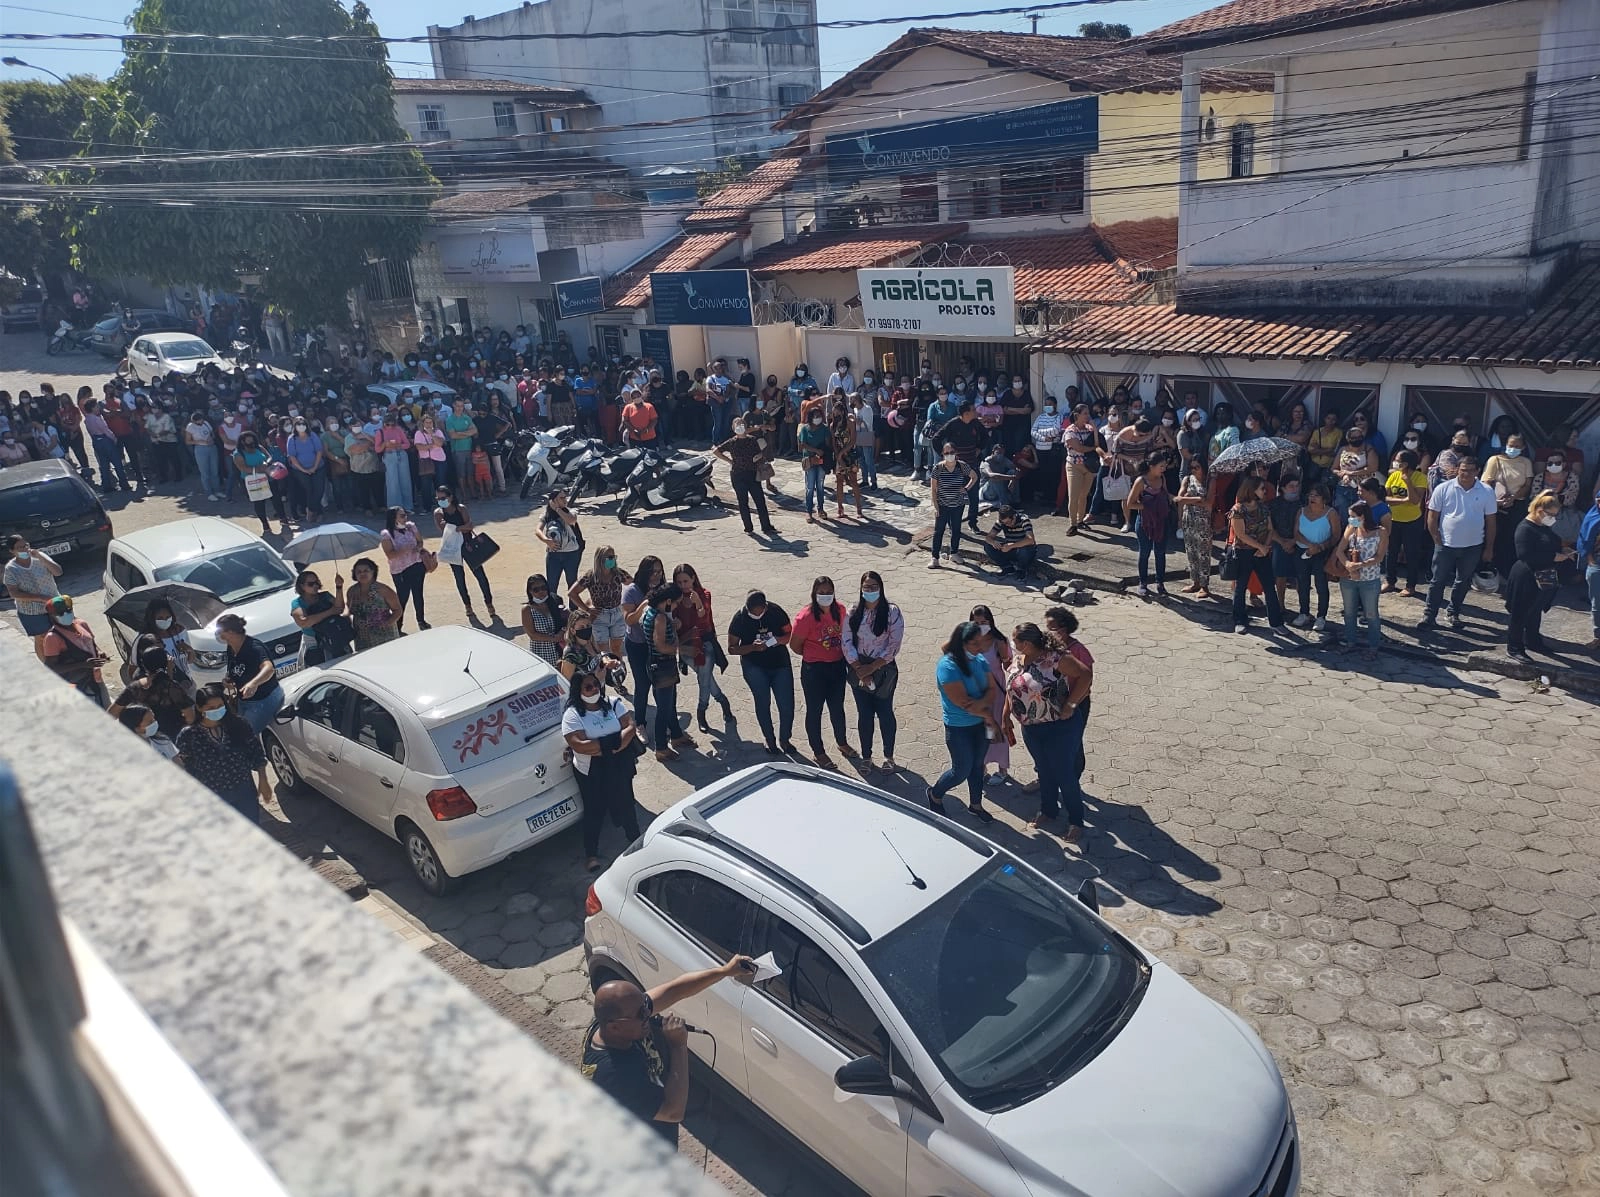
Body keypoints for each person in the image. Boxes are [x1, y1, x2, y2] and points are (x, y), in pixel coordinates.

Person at [581, 955, 755, 1148]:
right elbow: (673, 1111)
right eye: (641, 1014)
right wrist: (678, 1045)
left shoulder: (621, 1023)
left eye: (645, 1007)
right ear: (614, 1027)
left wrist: (725, 971)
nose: (648, 1013)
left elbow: (676, 990)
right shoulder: (613, 1074)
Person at [1005, 622, 1090, 843]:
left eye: (1015, 641)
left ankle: (1076, 821)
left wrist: (1071, 705)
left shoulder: (1055, 658)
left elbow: (1085, 675)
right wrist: (1006, 717)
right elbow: (1012, 688)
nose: (1012, 644)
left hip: (1059, 728)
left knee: (1064, 774)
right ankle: (1048, 810)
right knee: (1044, 770)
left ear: (1027, 643)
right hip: (1032, 728)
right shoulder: (1019, 659)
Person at [561, 672, 642, 872]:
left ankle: (636, 840)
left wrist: (606, 748)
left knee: (626, 801)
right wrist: (613, 743)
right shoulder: (572, 715)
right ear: (579, 691)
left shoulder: (613, 703)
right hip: (591, 770)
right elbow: (579, 745)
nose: (594, 689)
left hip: (618, 764)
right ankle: (591, 854)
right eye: (588, 687)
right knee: (594, 811)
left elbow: (630, 728)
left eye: (596, 685)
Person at [929, 621, 1000, 824]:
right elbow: (964, 703)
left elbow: (992, 690)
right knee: (961, 770)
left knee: (977, 766)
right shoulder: (947, 667)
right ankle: (935, 794)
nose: (981, 648)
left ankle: (975, 805)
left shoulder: (979, 660)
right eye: (975, 643)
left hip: (980, 725)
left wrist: (983, 707)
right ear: (962, 644)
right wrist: (988, 716)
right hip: (959, 728)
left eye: (981, 642)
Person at [176, 683, 274, 823]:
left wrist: (263, 779)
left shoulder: (239, 725)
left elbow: (256, 752)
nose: (217, 710)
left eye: (220, 706)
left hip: (244, 791)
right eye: (211, 708)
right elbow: (186, 769)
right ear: (199, 708)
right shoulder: (189, 736)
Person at [1420, 455, 1498, 631]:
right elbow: (1432, 515)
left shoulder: (1486, 491)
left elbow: (1491, 522)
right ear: (1457, 470)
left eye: (1470, 471)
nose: (1466, 474)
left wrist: (1489, 547)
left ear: (1477, 471)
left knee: (1462, 581)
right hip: (1445, 545)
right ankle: (1429, 615)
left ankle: (1453, 612)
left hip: (1473, 546)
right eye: (1463, 470)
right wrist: (1435, 537)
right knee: (1437, 581)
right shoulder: (1443, 488)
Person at [789, 577, 854, 769]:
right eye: (821, 592)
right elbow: (795, 645)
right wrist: (814, 654)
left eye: (828, 592)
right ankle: (819, 752)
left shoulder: (841, 610)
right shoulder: (806, 617)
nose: (825, 596)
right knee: (815, 711)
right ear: (814, 593)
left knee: (837, 708)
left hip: (837, 667)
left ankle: (842, 742)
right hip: (814, 670)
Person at [840, 571, 903, 771]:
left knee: (885, 712)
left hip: (883, 669)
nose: (870, 590)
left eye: (874, 586)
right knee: (864, 714)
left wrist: (872, 667)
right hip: (858, 667)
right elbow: (846, 640)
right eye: (866, 587)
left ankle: (889, 757)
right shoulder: (853, 611)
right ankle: (866, 756)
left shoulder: (892, 612)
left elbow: (894, 644)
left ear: (881, 588)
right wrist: (859, 668)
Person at [1504, 492, 1574, 660]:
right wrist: (1553, 557)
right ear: (1541, 511)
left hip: (1545, 573)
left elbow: (1551, 542)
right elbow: (1524, 554)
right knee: (1520, 611)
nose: (1553, 519)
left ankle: (1533, 640)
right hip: (1527, 575)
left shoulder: (1543, 526)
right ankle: (1514, 646)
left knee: (1536, 609)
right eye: (1551, 515)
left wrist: (1563, 551)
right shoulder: (1525, 528)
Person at [727, 589, 795, 756]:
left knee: (786, 705)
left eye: (761, 612)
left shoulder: (776, 612)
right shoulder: (739, 619)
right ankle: (769, 739)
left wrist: (776, 641)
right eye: (753, 613)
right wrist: (752, 648)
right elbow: (732, 648)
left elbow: (790, 634)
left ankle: (785, 739)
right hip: (754, 666)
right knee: (763, 702)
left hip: (780, 663)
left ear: (765, 606)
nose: (757, 615)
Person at [673, 563, 732, 733]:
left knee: (703, 676)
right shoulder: (675, 599)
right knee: (705, 676)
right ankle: (723, 701)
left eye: (686, 581)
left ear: (693, 578)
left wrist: (698, 604)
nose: (683, 585)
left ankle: (701, 712)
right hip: (685, 646)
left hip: (704, 643)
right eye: (679, 582)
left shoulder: (703, 594)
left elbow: (704, 620)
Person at [641, 584, 694, 762]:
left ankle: (677, 736)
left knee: (670, 703)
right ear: (668, 601)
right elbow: (660, 645)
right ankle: (661, 748)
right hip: (662, 666)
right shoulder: (660, 618)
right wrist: (681, 650)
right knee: (664, 709)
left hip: (657, 664)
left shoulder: (651, 612)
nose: (677, 606)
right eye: (676, 603)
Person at [1229, 476, 1287, 634]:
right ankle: (1239, 620)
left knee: (1269, 586)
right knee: (1240, 587)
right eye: (1262, 488)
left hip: (1262, 553)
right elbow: (1240, 534)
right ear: (1251, 490)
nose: (1265, 491)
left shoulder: (1263, 508)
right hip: (1243, 553)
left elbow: (1270, 529)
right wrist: (1259, 546)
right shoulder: (1238, 510)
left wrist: (1265, 547)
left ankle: (1276, 622)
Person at [434, 486, 496, 621]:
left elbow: (469, 526)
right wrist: (460, 528)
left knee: (480, 575)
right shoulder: (438, 512)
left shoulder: (461, 508)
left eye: (443, 498)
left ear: (450, 497)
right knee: (459, 578)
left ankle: (489, 603)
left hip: (468, 546)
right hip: (453, 548)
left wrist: (454, 528)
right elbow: (443, 529)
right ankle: (467, 605)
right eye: (438, 498)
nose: (440, 501)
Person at [215, 612, 284, 733]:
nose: (218, 634)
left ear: (231, 632)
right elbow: (235, 670)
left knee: (245, 734)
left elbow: (268, 668)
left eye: (220, 631)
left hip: (263, 700)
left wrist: (253, 683)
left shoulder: (254, 647)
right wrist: (228, 681)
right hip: (244, 701)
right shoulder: (231, 648)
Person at [1337, 500, 1388, 660]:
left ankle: (1373, 646)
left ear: (1363, 516)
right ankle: (1350, 642)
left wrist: (1361, 564)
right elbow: (1339, 550)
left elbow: (1379, 556)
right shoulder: (1350, 529)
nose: (1350, 520)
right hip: (1350, 577)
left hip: (1370, 579)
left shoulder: (1381, 532)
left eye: (1353, 517)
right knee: (1349, 612)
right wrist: (1348, 565)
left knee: (1371, 614)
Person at [39, 594, 109, 706]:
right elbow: (51, 668)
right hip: (77, 684)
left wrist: (99, 652)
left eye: (68, 610)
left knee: (108, 711)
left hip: (95, 678)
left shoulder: (81, 624)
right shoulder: (52, 638)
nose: (66, 614)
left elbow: (92, 643)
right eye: (61, 613)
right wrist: (82, 664)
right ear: (52, 616)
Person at [1290, 483, 1342, 632]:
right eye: (1310, 495)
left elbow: (1336, 535)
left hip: (1321, 553)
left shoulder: (1330, 513)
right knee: (1303, 583)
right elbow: (1296, 532)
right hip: (1302, 550)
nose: (1312, 498)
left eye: (1316, 496)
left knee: (1321, 584)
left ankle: (1321, 617)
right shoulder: (1301, 511)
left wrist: (1320, 547)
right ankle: (1304, 613)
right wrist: (1309, 544)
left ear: (1324, 498)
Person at [1482, 433, 1535, 579]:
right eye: (1511, 445)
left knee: (1510, 538)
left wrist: (1513, 498)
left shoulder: (1526, 462)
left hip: (1517, 504)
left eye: (1517, 446)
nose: (1513, 448)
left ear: (1523, 447)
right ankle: (1487, 567)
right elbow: (1487, 482)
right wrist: (1494, 501)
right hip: (1495, 503)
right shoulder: (1495, 460)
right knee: (1492, 535)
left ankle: (1506, 571)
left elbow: (1527, 484)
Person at [620, 556, 665, 726]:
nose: (656, 575)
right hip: (637, 644)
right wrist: (645, 603)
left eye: (659, 572)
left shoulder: (662, 588)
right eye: (652, 572)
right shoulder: (631, 590)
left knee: (661, 684)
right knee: (642, 684)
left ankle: (665, 722)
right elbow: (629, 620)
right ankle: (639, 723)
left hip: (657, 644)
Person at [713, 416, 777, 536]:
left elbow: (760, 454)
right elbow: (716, 451)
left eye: (742, 424)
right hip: (737, 475)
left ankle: (766, 526)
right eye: (737, 425)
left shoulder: (752, 440)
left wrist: (758, 457)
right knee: (743, 502)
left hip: (752, 474)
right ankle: (748, 527)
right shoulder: (731, 442)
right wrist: (729, 461)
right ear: (733, 428)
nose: (740, 426)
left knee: (760, 501)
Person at [1382, 449, 1430, 598]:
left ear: (1406, 463)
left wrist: (1408, 482)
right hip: (1393, 520)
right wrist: (1403, 501)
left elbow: (1416, 500)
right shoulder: (1393, 476)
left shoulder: (1420, 477)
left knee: (1411, 553)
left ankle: (1411, 585)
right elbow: (1385, 498)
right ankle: (1390, 581)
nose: (1395, 463)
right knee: (1391, 552)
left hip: (1412, 521)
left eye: (1398, 460)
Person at [5, 535, 64, 653]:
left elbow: (58, 572)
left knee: (63, 633)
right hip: (31, 611)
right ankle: (47, 665)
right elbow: (14, 593)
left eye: (26, 545)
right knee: (42, 638)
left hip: (54, 604)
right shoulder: (11, 569)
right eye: (19, 547)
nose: (24, 549)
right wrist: (39, 597)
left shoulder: (40, 558)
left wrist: (41, 557)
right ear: (12, 551)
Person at [570, 546, 632, 657]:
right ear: (601, 559)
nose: (613, 560)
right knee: (603, 651)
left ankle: (618, 670)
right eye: (610, 557)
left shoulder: (618, 573)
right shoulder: (590, 576)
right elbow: (572, 593)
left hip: (617, 613)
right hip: (599, 615)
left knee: (617, 648)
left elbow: (632, 584)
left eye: (614, 557)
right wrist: (587, 609)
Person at [1127, 455, 1172, 598]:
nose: (1163, 469)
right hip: (1144, 523)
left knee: (1160, 552)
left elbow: (1166, 495)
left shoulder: (1162, 479)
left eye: (1165, 466)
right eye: (1161, 466)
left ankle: (1160, 583)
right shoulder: (1141, 481)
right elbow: (1130, 503)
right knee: (1144, 552)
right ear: (1151, 466)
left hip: (1161, 521)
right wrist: (1148, 506)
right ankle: (1143, 583)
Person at [928, 440, 977, 569]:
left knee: (956, 530)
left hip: (957, 504)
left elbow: (974, 476)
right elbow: (933, 489)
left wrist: (966, 488)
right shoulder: (938, 468)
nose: (949, 455)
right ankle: (935, 557)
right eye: (946, 453)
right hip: (942, 505)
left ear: (956, 453)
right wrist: (936, 506)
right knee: (938, 531)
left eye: (951, 452)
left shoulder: (962, 466)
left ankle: (954, 553)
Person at [380, 507, 429, 632]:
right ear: (394, 518)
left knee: (418, 594)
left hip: (416, 565)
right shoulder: (386, 534)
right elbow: (390, 554)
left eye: (405, 515)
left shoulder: (411, 527)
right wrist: (404, 550)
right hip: (400, 570)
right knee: (402, 598)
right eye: (402, 516)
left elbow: (420, 542)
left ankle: (421, 620)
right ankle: (398, 626)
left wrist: (418, 548)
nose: (405, 517)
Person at [234, 430, 290, 537]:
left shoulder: (259, 447)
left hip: (267, 477)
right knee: (259, 502)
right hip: (252, 481)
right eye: (248, 441)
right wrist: (258, 468)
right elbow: (243, 468)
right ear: (242, 442)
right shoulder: (238, 454)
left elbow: (269, 456)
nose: (251, 443)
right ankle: (265, 524)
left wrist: (267, 463)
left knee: (276, 498)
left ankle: (283, 518)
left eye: (252, 440)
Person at [289, 569, 348, 667]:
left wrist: (339, 587)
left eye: (317, 582)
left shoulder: (325, 596)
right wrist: (330, 612)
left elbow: (339, 609)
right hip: (314, 645)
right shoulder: (297, 603)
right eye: (311, 584)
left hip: (335, 638)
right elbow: (304, 622)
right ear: (302, 586)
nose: (315, 586)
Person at [1175, 457, 1215, 596]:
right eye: (1191, 467)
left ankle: (1205, 585)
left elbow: (1209, 502)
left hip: (1204, 521)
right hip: (1188, 519)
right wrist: (1197, 499)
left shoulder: (1210, 480)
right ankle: (1195, 582)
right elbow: (1179, 499)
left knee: (1204, 554)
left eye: (1196, 467)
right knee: (1191, 552)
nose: (1193, 470)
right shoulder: (1187, 479)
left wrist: (1189, 499)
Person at [345, 557, 401, 651]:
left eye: (366, 570)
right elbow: (349, 611)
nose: (362, 574)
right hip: (362, 637)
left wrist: (388, 623)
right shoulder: (352, 591)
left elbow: (397, 610)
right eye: (359, 572)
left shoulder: (383, 589)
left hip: (384, 635)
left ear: (373, 571)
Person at [536, 489, 584, 594]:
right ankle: (553, 607)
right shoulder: (546, 515)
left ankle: (573, 608)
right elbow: (538, 530)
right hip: (553, 555)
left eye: (565, 497)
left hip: (571, 554)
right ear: (553, 500)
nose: (565, 500)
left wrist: (557, 509)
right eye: (561, 498)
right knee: (552, 584)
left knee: (572, 583)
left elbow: (570, 520)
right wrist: (546, 541)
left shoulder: (571, 511)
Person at [284, 416, 326, 523]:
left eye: (303, 424)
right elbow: (292, 457)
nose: (301, 426)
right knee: (309, 489)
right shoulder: (292, 439)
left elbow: (319, 451)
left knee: (319, 490)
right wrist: (303, 470)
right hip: (300, 469)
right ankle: (316, 513)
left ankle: (312, 510)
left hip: (318, 467)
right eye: (298, 424)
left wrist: (314, 467)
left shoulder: (312, 436)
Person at [520, 574, 567, 666]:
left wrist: (562, 631)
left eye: (543, 587)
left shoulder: (555, 601)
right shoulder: (527, 610)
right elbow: (532, 635)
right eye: (536, 589)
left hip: (559, 650)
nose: (541, 591)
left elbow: (565, 621)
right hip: (541, 652)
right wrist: (554, 638)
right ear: (530, 591)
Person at [982, 505, 1037, 579]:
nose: (1007, 525)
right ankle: (1007, 568)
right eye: (1004, 523)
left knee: (1024, 551)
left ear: (1014, 517)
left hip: (1024, 549)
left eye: (1008, 522)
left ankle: (1022, 570)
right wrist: (993, 543)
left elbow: (1030, 540)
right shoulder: (1001, 521)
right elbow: (988, 537)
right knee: (988, 546)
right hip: (1010, 549)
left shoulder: (1024, 520)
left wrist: (1012, 546)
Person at [797, 405, 830, 523]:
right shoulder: (805, 429)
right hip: (810, 460)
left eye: (819, 416)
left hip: (821, 460)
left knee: (820, 486)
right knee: (810, 487)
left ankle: (821, 509)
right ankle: (809, 511)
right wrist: (815, 451)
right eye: (815, 416)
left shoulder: (825, 429)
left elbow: (828, 444)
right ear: (811, 418)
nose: (818, 418)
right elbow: (802, 445)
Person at [830, 404, 864, 519]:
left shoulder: (849, 423)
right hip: (839, 456)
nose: (835, 414)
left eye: (837, 412)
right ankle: (840, 507)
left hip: (849, 454)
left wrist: (843, 452)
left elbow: (853, 440)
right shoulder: (833, 425)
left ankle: (859, 507)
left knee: (853, 481)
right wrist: (838, 455)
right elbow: (833, 442)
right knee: (839, 482)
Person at [1579, 487, 1600, 652]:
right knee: (1597, 603)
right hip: (1597, 565)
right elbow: (1584, 539)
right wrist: (1590, 559)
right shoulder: (1593, 516)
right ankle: (1598, 636)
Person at [185, 409, 222, 500]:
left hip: (212, 447)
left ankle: (217, 490)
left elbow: (212, 433)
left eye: (201, 419)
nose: (200, 421)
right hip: (200, 449)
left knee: (214, 470)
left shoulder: (205, 423)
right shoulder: (190, 427)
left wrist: (211, 438)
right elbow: (188, 441)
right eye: (198, 420)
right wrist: (199, 441)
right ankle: (209, 492)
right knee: (205, 472)